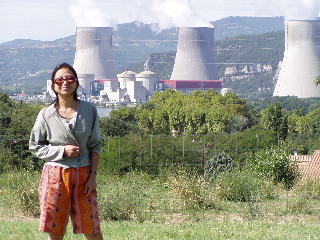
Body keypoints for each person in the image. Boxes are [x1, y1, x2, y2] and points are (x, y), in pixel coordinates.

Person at [29, 63, 103, 240]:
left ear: (76, 83)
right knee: (55, 230)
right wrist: (62, 151)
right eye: (59, 79)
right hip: (55, 176)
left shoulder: (89, 110)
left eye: (70, 78)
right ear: (53, 84)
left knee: (91, 228)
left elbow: (96, 145)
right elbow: (35, 146)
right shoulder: (46, 114)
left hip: (84, 175)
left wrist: (92, 176)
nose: (65, 82)